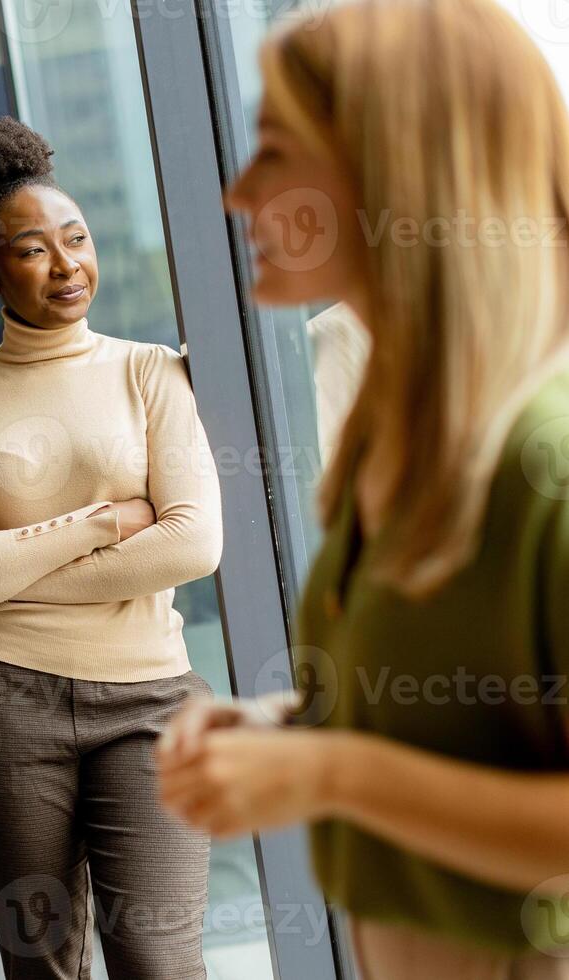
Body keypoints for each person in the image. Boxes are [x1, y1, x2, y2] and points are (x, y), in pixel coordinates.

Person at [155, 1, 569, 977]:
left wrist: (329, 769)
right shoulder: (395, 436)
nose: (237, 192)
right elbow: (463, 723)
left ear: (395, 165)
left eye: (274, 150)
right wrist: (286, 735)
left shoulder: (542, 461)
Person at [0, 116, 223, 980]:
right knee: (42, 961)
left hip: (152, 700)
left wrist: (2, 561)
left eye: (75, 239)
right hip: (1, 701)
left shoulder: (152, 373)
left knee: (157, 955)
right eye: (33, 249)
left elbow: (192, 544)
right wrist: (100, 522)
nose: (66, 264)